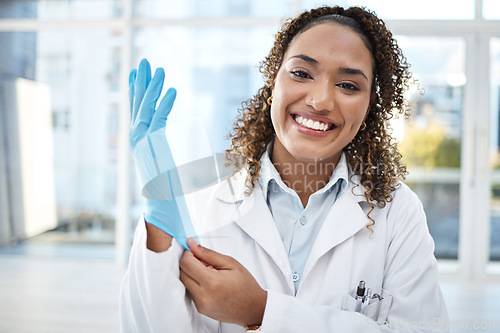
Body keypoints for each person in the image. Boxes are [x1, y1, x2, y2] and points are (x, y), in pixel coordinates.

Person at [120, 5, 449, 333]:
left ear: (368, 109)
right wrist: (157, 230)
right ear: (272, 84)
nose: (320, 101)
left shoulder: (397, 211)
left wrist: (263, 311)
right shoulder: (199, 192)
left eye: (348, 85)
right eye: (302, 73)